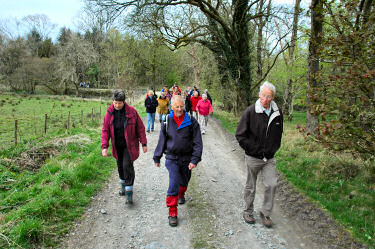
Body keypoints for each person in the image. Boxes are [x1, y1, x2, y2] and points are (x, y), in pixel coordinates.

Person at [235, 81, 283, 228]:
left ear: (273, 97)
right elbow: (240, 135)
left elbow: (279, 133)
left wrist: (273, 148)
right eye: (263, 95)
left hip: (269, 158)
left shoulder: (277, 112)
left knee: (272, 184)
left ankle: (265, 212)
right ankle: (248, 211)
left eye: (269, 96)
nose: (265, 99)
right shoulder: (250, 111)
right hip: (253, 156)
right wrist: (253, 149)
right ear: (259, 95)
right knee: (251, 186)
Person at [153, 95, 203, 227]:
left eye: (181, 106)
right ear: (172, 107)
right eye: (177, 106)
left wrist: (195, 159)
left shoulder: (191, 121)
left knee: (184, 183)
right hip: (172, 158)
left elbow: (198, 142)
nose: (179, 109)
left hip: (187, 158)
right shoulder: (167, 121)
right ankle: (173, 212)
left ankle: (182, 193)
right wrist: (157, 156)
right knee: (174, 183)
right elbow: (162, 140)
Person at [101, 90, 147, 205]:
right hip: (117, 146)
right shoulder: (109, 113)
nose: (117, 105)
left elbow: (140, 128)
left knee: (127, 166)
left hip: (129, 145)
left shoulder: (131, 112)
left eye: (119, 103)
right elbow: (105, 130)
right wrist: (104, 146)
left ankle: (129, 193)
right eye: (115, 103)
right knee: (120, 166)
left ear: (124, 102)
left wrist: (144, 143)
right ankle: (123, 186)